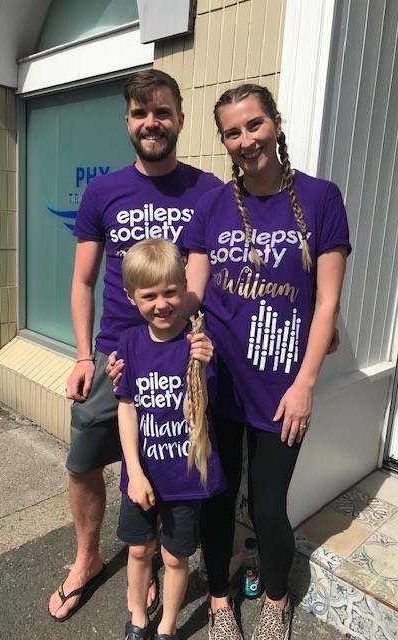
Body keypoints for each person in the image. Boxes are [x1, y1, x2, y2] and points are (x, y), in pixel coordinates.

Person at [48, 69, 222, 622]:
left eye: (163, 112)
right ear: (127, 122)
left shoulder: (208, 191)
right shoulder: (103, 191)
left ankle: (145, 564)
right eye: (141, 113)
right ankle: (88, 559)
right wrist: (82, 355)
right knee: (83, 463)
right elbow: (82, 281)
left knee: (171, 459)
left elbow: (203, 283)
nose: (153, 122)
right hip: (114, 355)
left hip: (179, 355)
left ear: (179, 119)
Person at [183, 84, 351, 640]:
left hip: (282, 386)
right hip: (219, 384)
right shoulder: (211, 205)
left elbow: (326, 301)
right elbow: (191, 294)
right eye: (232, 132)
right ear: (224, 141)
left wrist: (305, 383)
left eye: (254, 125)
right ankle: (220, 600)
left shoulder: (322, 198)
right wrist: (143, 334)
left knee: (270, 508)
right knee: (218, 500)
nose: (245, 140)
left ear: (275, 124)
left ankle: (276, 600)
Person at [116, 238, 226, 640]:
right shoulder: (128, 343)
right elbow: (126, 407)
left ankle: (166, 625)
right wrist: (133, 470)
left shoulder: (198, 342)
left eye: (170, 292)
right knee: (140, 550)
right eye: (149, 296)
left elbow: (206, 405)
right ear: (132, 298)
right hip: (142, 473)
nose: (161, 304)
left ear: (185, 288)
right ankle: (138, 620)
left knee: (176, 557)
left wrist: (206, 364)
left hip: (184, 477)